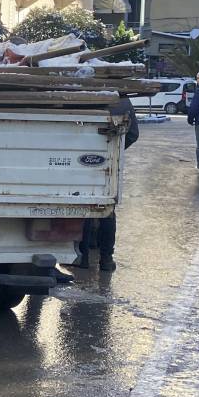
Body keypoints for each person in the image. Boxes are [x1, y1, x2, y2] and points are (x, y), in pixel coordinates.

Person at [74, 97, 139, 272]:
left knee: (84, 206)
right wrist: (115, 149)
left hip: (80, 160)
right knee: (107, 208)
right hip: (110, 161)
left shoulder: (79, 95)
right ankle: (106, 259)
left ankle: (82, 257)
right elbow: (133, 134)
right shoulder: (123, 101)